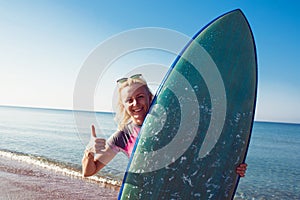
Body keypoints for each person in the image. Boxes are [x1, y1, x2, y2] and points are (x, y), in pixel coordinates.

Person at [82, 74, 247, 177]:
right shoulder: (123, 136)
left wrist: (232, 166)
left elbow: (201, 152)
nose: (135, 103)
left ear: (150, 97)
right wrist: (89, 152)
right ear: (123, 106)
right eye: (129, 100)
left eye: (140, 97)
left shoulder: (172, 124)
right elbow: (88, 172)